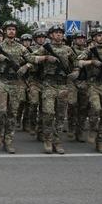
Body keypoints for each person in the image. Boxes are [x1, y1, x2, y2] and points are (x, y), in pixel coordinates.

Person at [28, 24, 79, 154]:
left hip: (63, 84)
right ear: (51, 35)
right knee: (48, 113)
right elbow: (29, 57)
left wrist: (76, 71)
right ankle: (48, 140)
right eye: (56, 33)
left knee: (61, 115)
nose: (59, 35)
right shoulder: (45, 48)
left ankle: (57, 141)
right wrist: (44, 58)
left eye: (61, 33)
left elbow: (76, 62)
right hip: (48, 84)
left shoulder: (68, 49)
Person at [0, 20, 29, 154]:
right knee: (0, 111)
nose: (11, 31)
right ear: (5, 31)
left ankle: (8, 140)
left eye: (13, 29)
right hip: (1, 81)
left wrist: (26, 66)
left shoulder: (21, 48)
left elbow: (32, 59)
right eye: (9, 29)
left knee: (12, 113)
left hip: (15, 83)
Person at [76, 28, 102, 153]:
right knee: (96, 108)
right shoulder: (89, 50)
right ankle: (92, 128)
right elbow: (78, 61)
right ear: (94, 38)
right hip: (93, 84)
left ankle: (100, 142)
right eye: (98, 36)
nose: (101, 38)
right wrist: (92, 61)